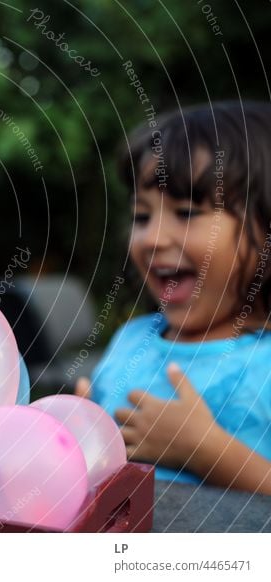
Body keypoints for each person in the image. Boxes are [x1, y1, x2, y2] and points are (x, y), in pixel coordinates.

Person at [76, 101, 271, 494]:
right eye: (142, 217)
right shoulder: (132, 340)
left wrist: (206, 450)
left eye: (186, 212)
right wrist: (77, 435)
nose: (152, 238)